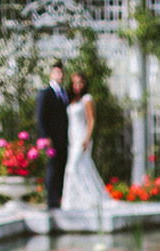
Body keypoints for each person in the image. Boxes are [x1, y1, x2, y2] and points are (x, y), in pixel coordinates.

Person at [61, 71, 112, 211]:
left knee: (72, 168)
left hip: (82, 138)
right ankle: (71, 202)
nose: (77, 85)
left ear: (85, 83)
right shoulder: (72, 100)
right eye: (75, 83)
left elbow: (91, 120)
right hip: (72, 138)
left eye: (80, 82)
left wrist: (87, 138)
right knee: (82, 168)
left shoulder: (87, 99)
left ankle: (89, 198)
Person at [36, 60, 69, 209]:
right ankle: (51, 199)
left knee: (61, 167)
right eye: (57, 72)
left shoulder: (64, 93)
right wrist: (45, 136)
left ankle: (59, 198)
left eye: (61, 72)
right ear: (51, 75)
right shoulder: (45, 93)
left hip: (64, 138)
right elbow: (41, 117)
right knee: (53, 167)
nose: (60, 75)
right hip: (52, 138)